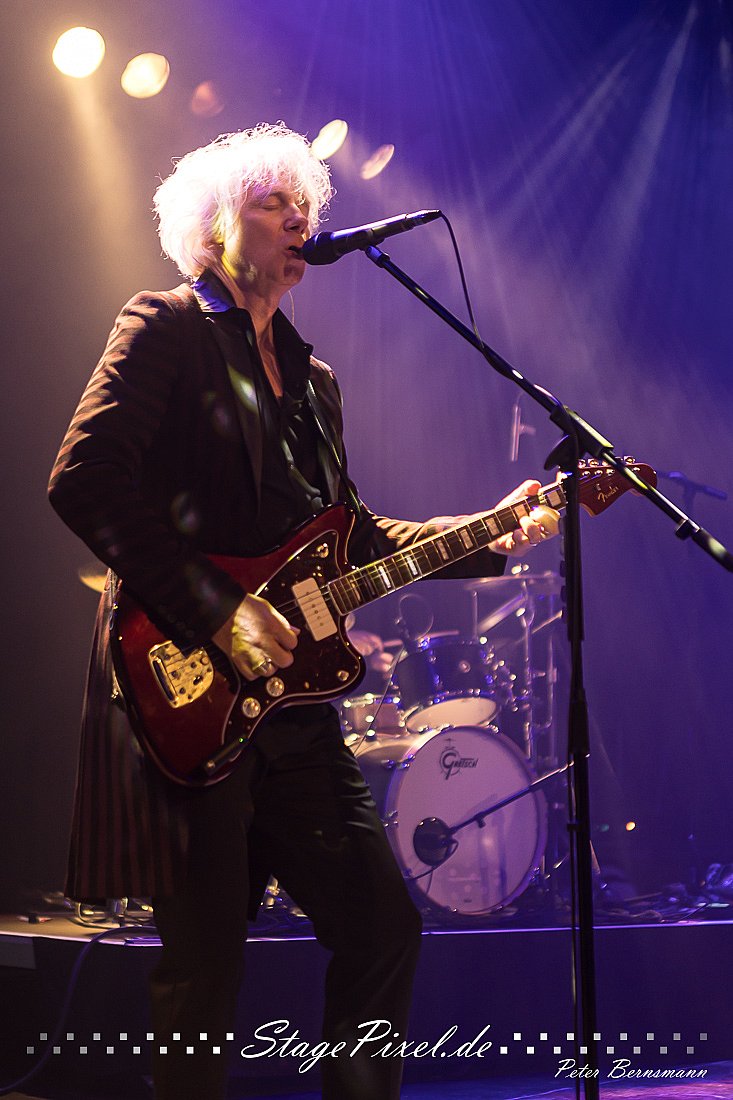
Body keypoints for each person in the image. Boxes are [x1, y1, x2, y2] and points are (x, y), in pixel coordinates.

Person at [48, 123, 558, 1100]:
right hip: (183, 692)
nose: (299, 219)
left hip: (292, 711)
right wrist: (219, 610)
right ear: (213, 227)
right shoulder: (164, 327)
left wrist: (495, 532)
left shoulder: (313, 382)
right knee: (203, 965)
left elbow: (352, 536)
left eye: (306, 205)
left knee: (380, 927)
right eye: (273, 202)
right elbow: (83, 480)